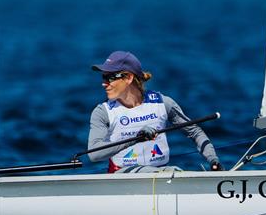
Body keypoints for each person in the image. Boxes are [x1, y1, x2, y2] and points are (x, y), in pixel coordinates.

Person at [87, 51, 224, 173]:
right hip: (122, 176)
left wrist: (213, 160)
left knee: (173, 172)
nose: (104, 83)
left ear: (128, 78)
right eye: (103, 77)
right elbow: (94, 154)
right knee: (170, 172)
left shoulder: (162, 103)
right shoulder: (102, 112)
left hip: (162, 173)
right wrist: (135, 139)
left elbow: (194, 132)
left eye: (110, 77)